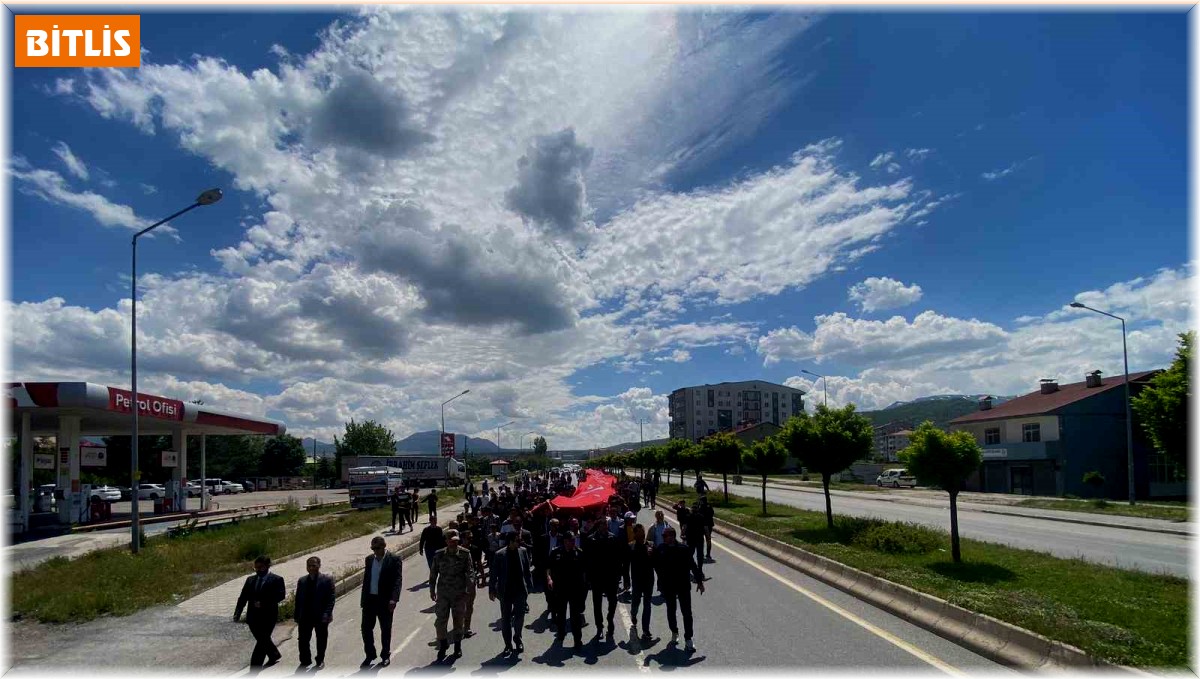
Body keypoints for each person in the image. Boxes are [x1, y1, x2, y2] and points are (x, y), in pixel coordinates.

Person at [653, 526, 705, 652]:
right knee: (671, 611)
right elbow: (654, 564)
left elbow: (693, 565)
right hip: (668, 587)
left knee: (687, 613)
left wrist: (699, 581)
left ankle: (688, 639)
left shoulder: (683, 549)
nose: (667, 538)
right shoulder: (660, 549)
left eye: (669, 535)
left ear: (673, 536)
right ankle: (674, 632)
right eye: (665, 536)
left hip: (683, 586)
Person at [430, 529, 475, 662]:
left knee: (458, 621)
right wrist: (432, 590)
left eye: (455, 540)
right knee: (440, 621)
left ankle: (457, 646)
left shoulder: (465, 554)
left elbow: (470, 573)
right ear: (446, 541)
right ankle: (443, 645)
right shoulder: (438, 555)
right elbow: (433, 574)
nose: (453, 543)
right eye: (451, 540)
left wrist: (469, 589)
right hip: (443, 593)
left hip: (459, 594)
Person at [234, 555, 286, 668]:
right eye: (256, 568)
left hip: (269, 616)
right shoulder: (250, 580)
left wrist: (264, 603)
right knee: (263, 639)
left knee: (262, 641)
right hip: (253, 617)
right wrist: (237, 612)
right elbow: (243, 596)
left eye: (261, 567)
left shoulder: (277, 579)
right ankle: (274, 654)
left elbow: (281, 595)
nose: (258, 570)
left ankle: (254, 668)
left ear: (268, 566)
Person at [488, 531, 535, 656]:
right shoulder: (500, 554)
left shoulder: (523, 551)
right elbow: (494, 574)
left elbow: (527, 570)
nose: (520, 542)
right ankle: (508, 644)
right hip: (506, 592)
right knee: (506, 619)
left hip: (520, 591)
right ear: (510, 542)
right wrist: (491, 589)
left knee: (520, 617)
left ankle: (517, 638)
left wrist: (529, 587)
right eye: (517, 540)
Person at [360, 536, 403, 667]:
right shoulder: (369, 560)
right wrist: (363, 600)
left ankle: (385, 655)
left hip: (385, 601)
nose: (375, 551)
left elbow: (397, 581)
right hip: (370, 600)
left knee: (385, 629)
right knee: (366, 629)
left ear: (384, 546)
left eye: (377, 548)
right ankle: (370, 654)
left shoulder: (394, 559)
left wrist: (393, 599)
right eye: (373, 548)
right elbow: (366, 581)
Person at [546, 530, 587, 649]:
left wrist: (583, 589)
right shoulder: (555, 552)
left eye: (574, 540)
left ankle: (577, 639)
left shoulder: (579, 553)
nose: (573, 542)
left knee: (575, 616)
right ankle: (561, 632)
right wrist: (549, 579)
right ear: (564, 541)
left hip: (575, 589)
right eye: (570, 540)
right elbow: (548, 567)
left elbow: (584, 572)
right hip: (560, 588)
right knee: (561, 613)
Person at [294, 556, 335, 669]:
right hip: (305, 616)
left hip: (320, 616)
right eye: (309, 566)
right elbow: (298, 599)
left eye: (314, 565)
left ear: (319, 566)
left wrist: (327, 613)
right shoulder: (302, 581)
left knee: (321, 639)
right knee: (303, 640)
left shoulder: (327, 580)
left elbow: (331, 599)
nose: (311, 568)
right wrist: (297, 614)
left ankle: (320, 659)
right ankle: (305, 660)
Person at [584, 518, 621, 639]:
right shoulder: (591, 539)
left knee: (613, 601)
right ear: (598, 526)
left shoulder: (613, 538)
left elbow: (617, 558)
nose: (605, 527)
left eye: (606, 525)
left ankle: (610, 619)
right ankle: (599, 626)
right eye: (602, 525)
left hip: (611, 577)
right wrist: (588, 577)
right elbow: (588, 560)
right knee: (597, 603)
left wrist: (618, 575)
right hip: (597, 577)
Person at [628, 524, 655, 640]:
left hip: (648, 580)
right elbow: (625, 564)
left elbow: (657, 563)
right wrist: (625, 579)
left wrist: (652, 555)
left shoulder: (651, 545)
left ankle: (646, 630)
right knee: (635, 603)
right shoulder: (631, 546)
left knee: (647, 604)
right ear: (634, 534)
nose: (641, 534)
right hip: (637, 580)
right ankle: (633, 614)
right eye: (638, 532)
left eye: (642, 532)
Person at [684, 501, 708, 580]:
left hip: (690, 539)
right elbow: (705, 528)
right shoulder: (701, 517)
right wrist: (708, 537)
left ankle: (689, 570)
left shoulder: (688, 517)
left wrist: (683, 535)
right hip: (699, 539)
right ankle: (700, 570)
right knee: (700, 555)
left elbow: (685, 527)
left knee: (689, 555)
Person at [696, 495, 715, 561]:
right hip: (709, 525)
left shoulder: (701, 506)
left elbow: (698, 514)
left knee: (701, 540)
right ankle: (708, 554)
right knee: (708, 540)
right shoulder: (709, 506)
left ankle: (701, 553)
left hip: (703, 525)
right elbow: (712, 513)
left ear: (701, 501)